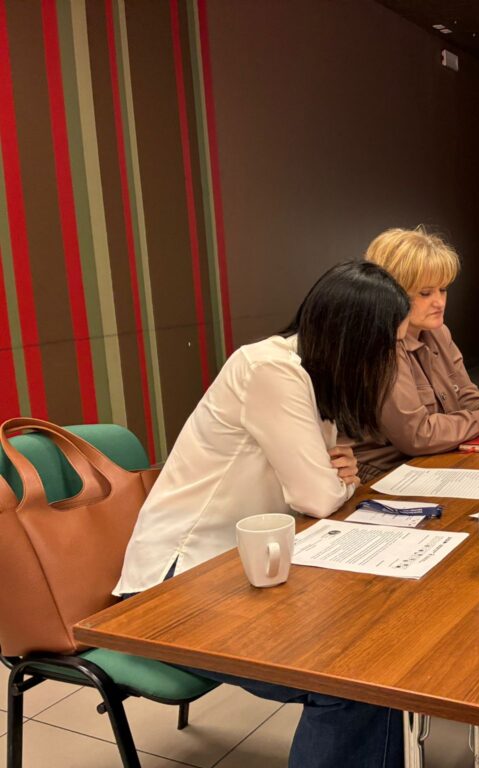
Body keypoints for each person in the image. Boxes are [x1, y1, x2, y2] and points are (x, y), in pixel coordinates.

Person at [115, 261, 412, 768]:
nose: (395, 360)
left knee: (377, 645)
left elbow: (327, 477)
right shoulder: (271, 370)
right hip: (175, 585)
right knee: (353, 682)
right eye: (392, 346)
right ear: (356, 342)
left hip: (241, 568)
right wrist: (341, 480)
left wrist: (338, 477)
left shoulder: (310, 373)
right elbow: (318, 495)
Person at [355, 227, 479, 482]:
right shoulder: (381, 346)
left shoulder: (438, 332)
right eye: (425, 293)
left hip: (434, 459)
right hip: (385, 476)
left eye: (443, 290)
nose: (439, 302)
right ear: (391, 293)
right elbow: (417, 435)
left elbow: (465, 397)